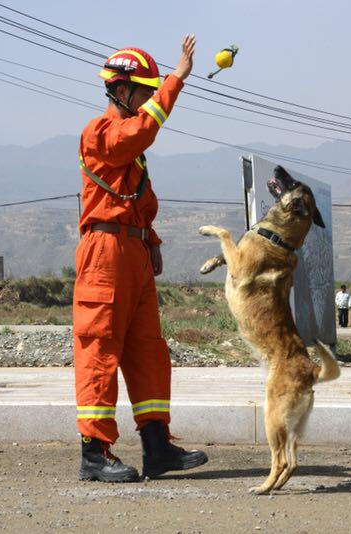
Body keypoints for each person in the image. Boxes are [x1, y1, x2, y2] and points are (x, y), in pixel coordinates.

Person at [73, 35, 208, 483]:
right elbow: (140, 130)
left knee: (148, 350)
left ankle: (157, 447)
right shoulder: (102, 133)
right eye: (145, 92)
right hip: (104, 253)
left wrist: (150, 242)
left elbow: (139, 203)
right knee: (100, 347)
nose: (150, 99)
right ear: (122, 90)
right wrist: (176, 81)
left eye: (153, 92)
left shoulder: (134, 154)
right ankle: (94, 453)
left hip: (132, 251)